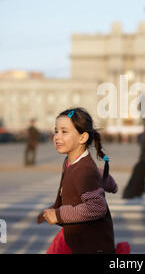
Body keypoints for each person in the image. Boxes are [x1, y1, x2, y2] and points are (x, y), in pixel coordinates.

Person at [36, 107, 117, 254]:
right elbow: (92, 174)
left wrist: (59, 214)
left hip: (93, 246)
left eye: (64, 131)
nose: (57, 137)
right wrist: (106, 180)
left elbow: (96, 207)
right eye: (56, 131)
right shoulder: (71, 162)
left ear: (82, 138)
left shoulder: (84, 170)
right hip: (79, 240)